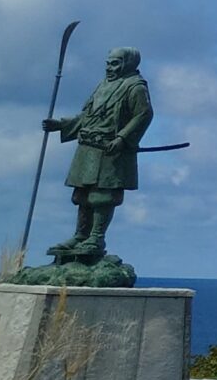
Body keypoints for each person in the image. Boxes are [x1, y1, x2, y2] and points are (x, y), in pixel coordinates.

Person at [42, 45, 153, 264]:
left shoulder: (135, 86)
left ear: (128, 63)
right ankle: (81, 235)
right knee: (82, 194)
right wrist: (60, 124)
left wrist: (122, 138)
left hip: (110, 150)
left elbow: (143, 114)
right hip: (88, 148)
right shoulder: (102, 85)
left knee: (102, 195)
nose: (110, 68)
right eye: (108, 63)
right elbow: (88, 116)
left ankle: (96, 237)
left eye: (115, 63)